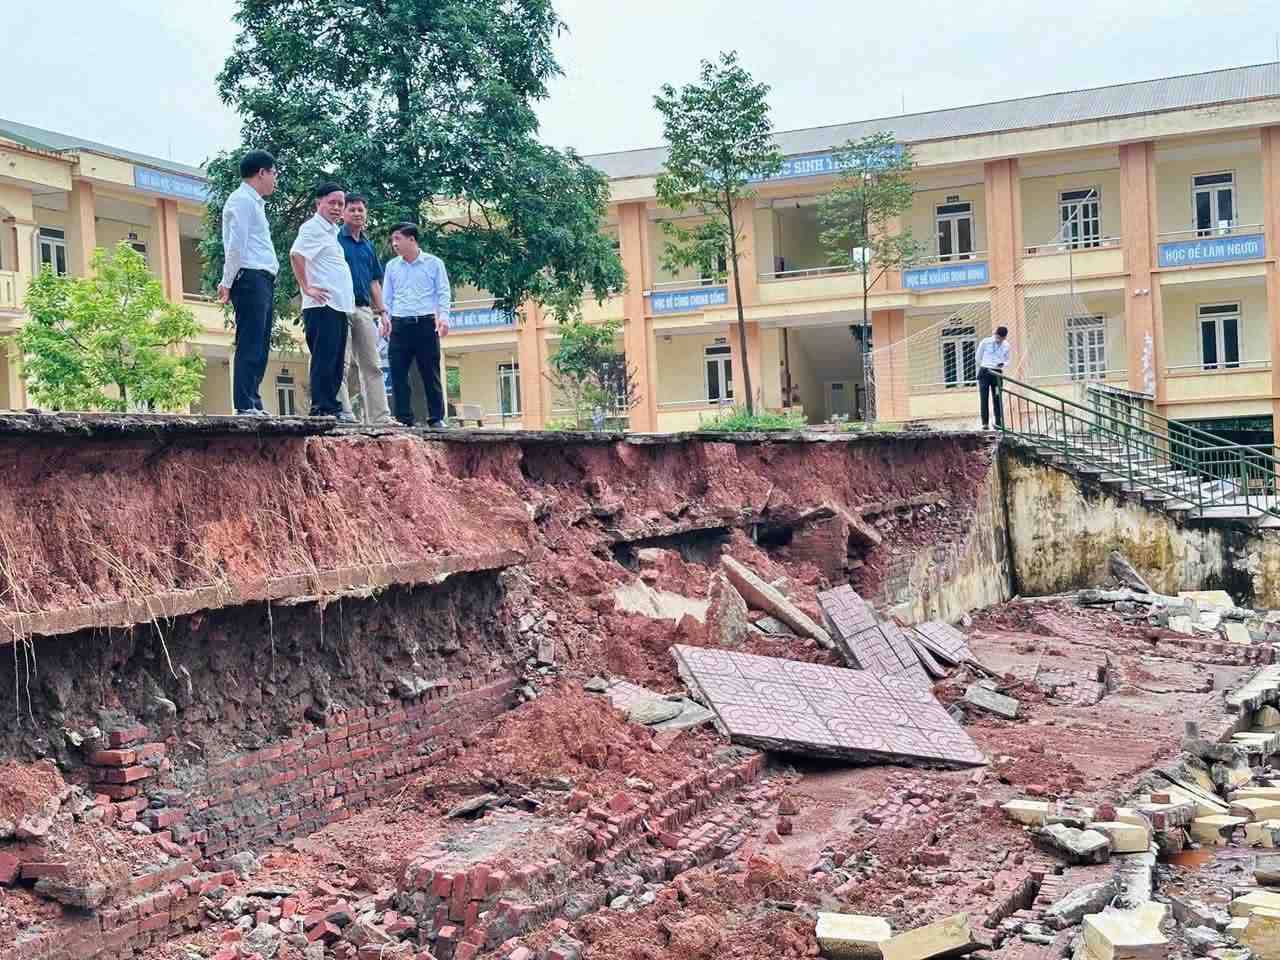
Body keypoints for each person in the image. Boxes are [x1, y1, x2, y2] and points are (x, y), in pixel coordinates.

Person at [218, 150, 279, 416]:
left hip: (262, 279)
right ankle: (244, 404)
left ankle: (252, 401)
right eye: (274, 173)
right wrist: (226, 281)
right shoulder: (241, 200)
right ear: (262, 173)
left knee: (261, 344)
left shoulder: (254, 203)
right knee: (250, 342)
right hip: (250, 277)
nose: (275, 180)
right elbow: (236, 246)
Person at [289, 183, 355, 418]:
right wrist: (307, 287)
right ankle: (321, 407)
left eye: (340, 204)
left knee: (337, 361)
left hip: (337, 304)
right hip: (322, 305)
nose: (337, 208)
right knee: (324, 358)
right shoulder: (312, 228)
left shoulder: (331, 232)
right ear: (319, 203)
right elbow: (296, 255)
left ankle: (331, 405)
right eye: (332, 202)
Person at [382, 223, 451, 428]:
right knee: (398, 373)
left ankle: (436, 417)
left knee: (430, 372)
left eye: (398, 238)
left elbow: (443, 292)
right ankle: (404, 418)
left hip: (425, 324)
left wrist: (444, 317)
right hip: (399, 325)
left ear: (411, 240)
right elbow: (387, 298)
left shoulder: (433, 263)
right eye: (393, 239)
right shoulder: (392, 266)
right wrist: (383, 320)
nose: (394, 243)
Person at [335, 194, 395, 425]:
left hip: (363, 309)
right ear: (343, 213)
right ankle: (344, 413)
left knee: (373, 364)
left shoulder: (368, 245)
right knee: (341, 363)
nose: (357, 213)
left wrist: (383, 312)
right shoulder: (335, 240)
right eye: (352, 209)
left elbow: (373, 282)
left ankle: (381, 417)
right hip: (340, 307)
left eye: (361, 209)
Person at [975, 325, 1011, 430]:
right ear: (995, 334)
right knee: (984, 398)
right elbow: (978, 357)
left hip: (997, 374)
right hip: (985, 372)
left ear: (1005, 337)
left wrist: (1003, 364)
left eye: (1001, 338)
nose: (999, 340)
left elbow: (1008, 361)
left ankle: (998, 423)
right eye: (998, 337)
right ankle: (985, 423)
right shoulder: (986, 342)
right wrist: (985, 366)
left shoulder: (1006, 345)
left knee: (997, 397)